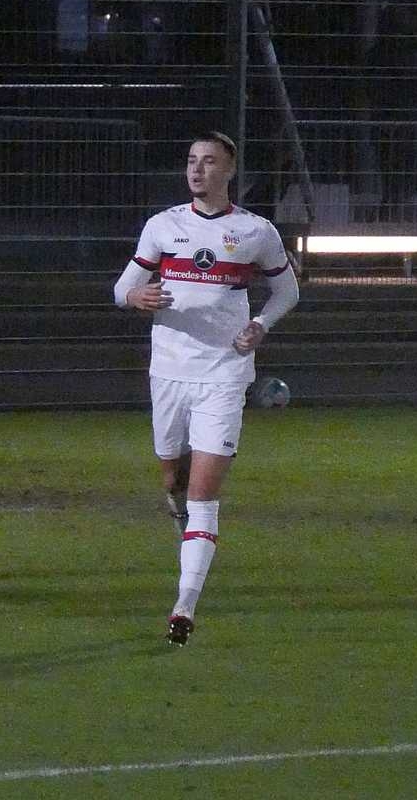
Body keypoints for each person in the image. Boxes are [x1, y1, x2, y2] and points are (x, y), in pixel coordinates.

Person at [111, 132, 299, 646]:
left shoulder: (255, 231)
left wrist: (260, 325)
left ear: (229, 170)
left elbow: (287, 290)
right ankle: (190, 539)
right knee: (173, 478)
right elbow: (122, 289)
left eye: (209, 161)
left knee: (203, 495)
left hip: (225, 373)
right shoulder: (163, 226)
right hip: (169, 372)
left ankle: (184, 607)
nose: (197, 169)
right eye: (192, 160)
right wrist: (136, 297)